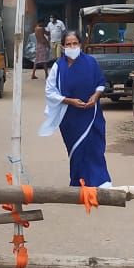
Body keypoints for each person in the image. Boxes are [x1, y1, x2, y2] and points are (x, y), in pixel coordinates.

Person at [38, 30, 112, 188]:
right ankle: (79, 184)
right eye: (68, 44)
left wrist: (95, 96)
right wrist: (69, 101)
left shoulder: (91, 62)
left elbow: (100, 82)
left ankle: (101, 182)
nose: (72, 47)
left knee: (94, 148)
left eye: (75, 43)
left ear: (80, 44)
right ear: (63, 47)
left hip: (91, 114)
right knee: (76, 151)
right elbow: (50, 91)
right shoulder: (58, 67)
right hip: (69, 117)